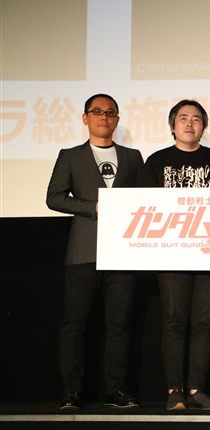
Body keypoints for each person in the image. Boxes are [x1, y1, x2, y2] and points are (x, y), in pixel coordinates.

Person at [47, 93, 144, 410]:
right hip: (83, 252)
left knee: (120, 326)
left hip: (123, 252)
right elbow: (54, 197)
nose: (104, 116)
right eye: (97, 111)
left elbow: (144, 198)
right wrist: (95, 207)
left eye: (111, 112)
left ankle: (116, 390)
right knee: (74, 325)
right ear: (85, 117)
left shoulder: (133, 157)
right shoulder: (71, 156)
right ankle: (71, 391)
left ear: (117, 119)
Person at [143, 99, 210, 411]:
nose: (189, 124)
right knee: (174, 321)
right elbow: (143, 207)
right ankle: (174, 390)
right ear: (172, 125)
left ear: (203, 127)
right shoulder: (157, 161)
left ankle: (197, 389)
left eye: (196, 119)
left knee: (205, 322)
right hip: (170, 252)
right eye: (183, 118)